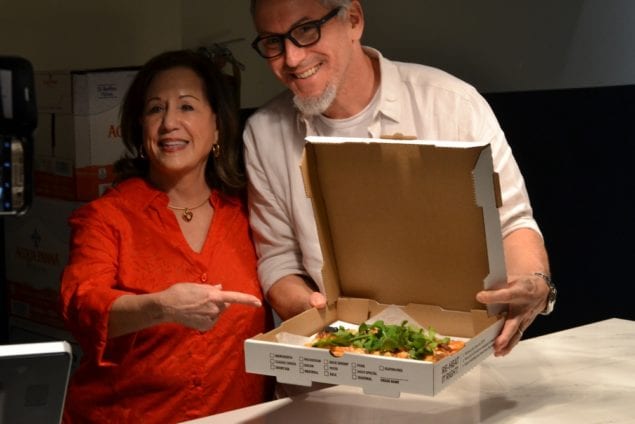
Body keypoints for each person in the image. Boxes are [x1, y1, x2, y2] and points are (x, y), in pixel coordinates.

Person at [244, 0, 555, 357]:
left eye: (305, 31)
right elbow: (278, 259)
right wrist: (316, 314)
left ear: (354, 21)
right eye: (272, 41)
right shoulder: (263, 134)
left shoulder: (452, 104)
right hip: (335, 369)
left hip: (458, 360)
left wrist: (535, 283)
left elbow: (512, 223)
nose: (292, 58)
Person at [59, 49, 273, 423]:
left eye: (187, 107)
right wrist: (161, 307)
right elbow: (82, 306)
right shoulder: (107, 217)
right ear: (140, 128)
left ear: (218, 125)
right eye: (155, 109)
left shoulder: (251, 214)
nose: (169, 122)